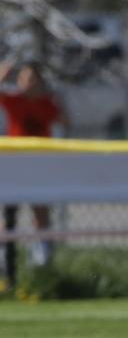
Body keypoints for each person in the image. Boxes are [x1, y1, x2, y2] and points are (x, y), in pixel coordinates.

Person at [1, 61, 67, 268]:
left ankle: (40, 256)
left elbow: (64, 120)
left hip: (40, 164)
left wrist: (55, 98)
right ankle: (5, 257)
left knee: (40, 210)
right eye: (24, 78)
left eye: (33, 79)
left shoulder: (46, 104)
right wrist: (4, 74)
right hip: (17, 164)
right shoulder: (14, 100)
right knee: (8, 211)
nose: (28, 83)